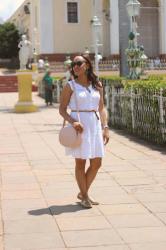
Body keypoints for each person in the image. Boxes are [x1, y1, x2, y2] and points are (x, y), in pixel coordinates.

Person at [59, 55, 110, 208]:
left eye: (79, 63)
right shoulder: (70, 86)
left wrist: (105, 127)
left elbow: (101, 108)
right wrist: (73, 122)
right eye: (73, 64)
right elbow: (62, 109)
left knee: (97, 162)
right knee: (80, 162)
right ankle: (85, 196)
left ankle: (83, 192)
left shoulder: (97, 85)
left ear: (87, 65)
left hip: (94, 126)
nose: (75, 66)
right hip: (79, 128)